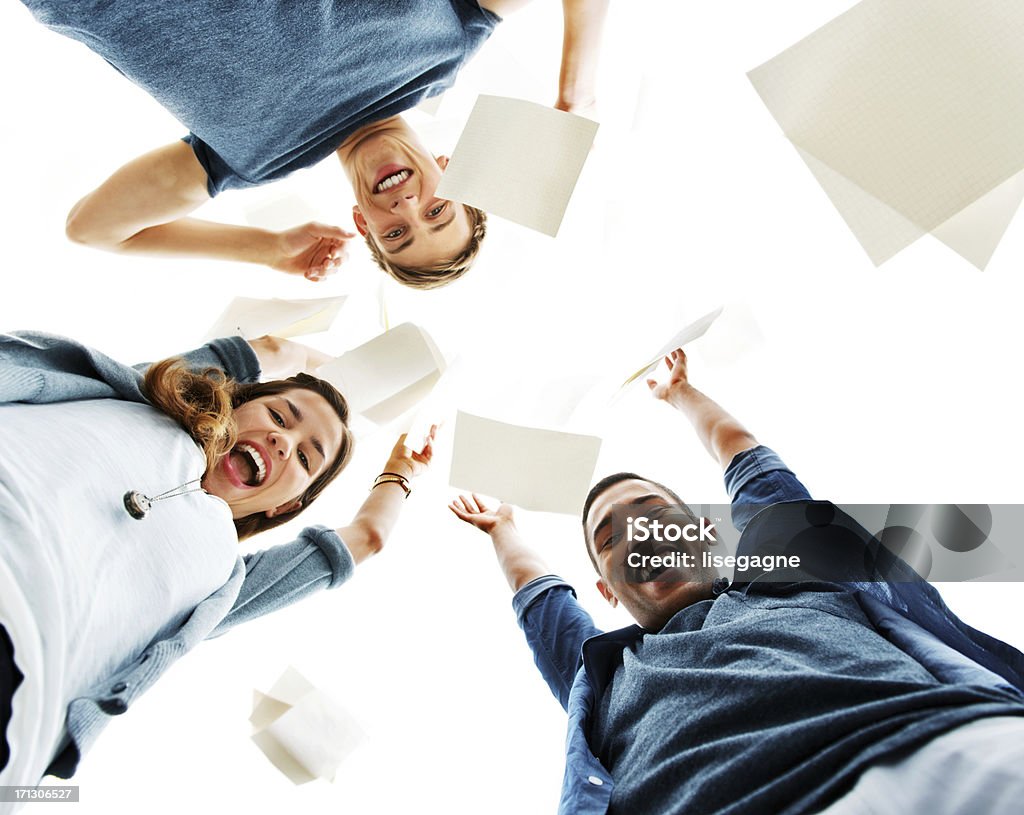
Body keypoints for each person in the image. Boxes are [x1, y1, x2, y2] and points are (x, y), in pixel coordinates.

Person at [450, 349, 1024, 815]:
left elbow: (748, 461)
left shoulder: (792, 576)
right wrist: (503, 528)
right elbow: (542, 599)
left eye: (651, 513)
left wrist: (681, 393)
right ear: (606, 590)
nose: (639, 535)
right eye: (609, 538)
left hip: (941, 755)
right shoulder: (601, 673)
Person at [0, 330, 434, 793]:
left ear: (286, 506)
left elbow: (367, 538)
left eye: (306, 457)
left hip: (19, 676)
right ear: (235, 400)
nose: (284, 441)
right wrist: (325, 365)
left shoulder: (224, 580)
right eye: (278, 415)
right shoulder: (135, 397)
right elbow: (261, 350)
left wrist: (402, 469)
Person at [20, 0, 610, 289]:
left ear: (361, 223)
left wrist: (267, 248)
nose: (406, 209)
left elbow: (91, 230)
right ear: (454, 170)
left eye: (397, 233)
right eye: (438, 210)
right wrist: (574, 96)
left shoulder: (256, 160)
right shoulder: (447, 46)